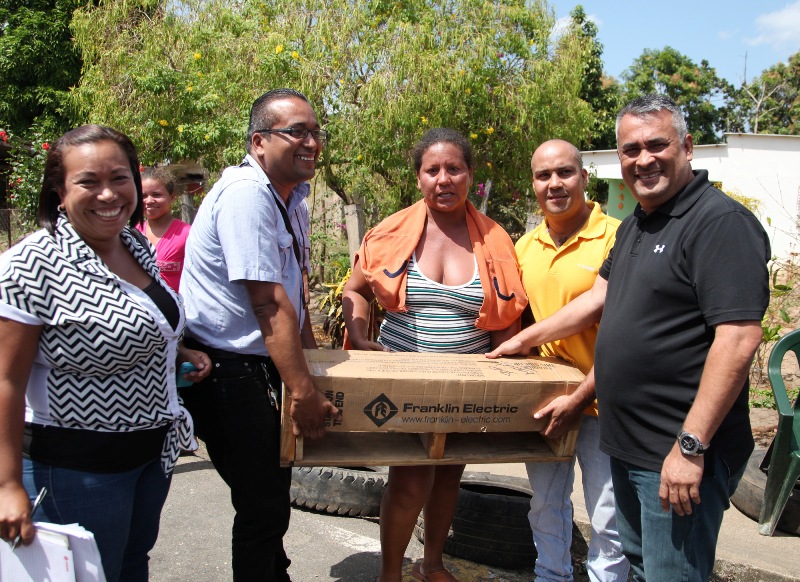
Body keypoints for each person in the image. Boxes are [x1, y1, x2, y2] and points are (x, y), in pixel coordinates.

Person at [489, 95, 770, 581]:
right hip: (630, 443)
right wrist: (521, 340)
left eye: (656, 145)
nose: (643, 159)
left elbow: (739, 339)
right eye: (630, 149)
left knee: (671, 574)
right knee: (640, 570)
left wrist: (690, 447)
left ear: (686, 147)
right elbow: (596, 300)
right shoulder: (639, 224)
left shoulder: (718, 223)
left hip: (676, 450)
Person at [0, 124, 211, 582]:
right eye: (88, 182)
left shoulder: (133, 245)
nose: (108, 194)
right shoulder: (32, 264)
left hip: (149, 457)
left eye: (119, 178)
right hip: (78, 469)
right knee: (88, 576)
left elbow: (137, 323)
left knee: (131, 567)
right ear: (58, 191)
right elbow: (6, 381)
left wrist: (178, 353)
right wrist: (7, 484)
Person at [343, 128, 527, 582]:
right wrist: (359, 334)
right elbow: (357, 290)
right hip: (404, 387)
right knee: (409, 483)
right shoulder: (390, 233)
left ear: (470, 175)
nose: (444, 179)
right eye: (433, 170)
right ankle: (389, 574)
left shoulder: (497, 242)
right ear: (419, 177)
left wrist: (507, 379)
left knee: (447, 477)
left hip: (467, 388)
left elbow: (507, 322)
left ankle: (431, 564)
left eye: (454, 168)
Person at [178, 88, 338, 581]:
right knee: (262, 503)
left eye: (316, 132)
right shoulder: (247, 196)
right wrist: (304, 393)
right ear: (259, 141)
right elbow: (268, 302)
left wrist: (312, 365)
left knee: (269, 495)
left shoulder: (292, 197)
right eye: (297, 132)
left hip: (261, 364)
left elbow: (296, 288)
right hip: (226, 370)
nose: (311, 141)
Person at [508, 139, 628, 581]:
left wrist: (582, 395)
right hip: (546, 402)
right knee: (545, 503)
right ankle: (551, 575)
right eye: (544, 176)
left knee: (607, 515)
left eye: (565, 173)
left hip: (604, 401)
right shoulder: (524, 247)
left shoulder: (617, 235)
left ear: (584, 177)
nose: (554, 184)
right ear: (533, 184)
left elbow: (621, 328)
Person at [136, 167, 191, 292]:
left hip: (176, 308)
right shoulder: (131, 233)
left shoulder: (187, 234)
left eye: (156, 195)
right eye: (143, 196)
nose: (149, 201)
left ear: (172, 197)